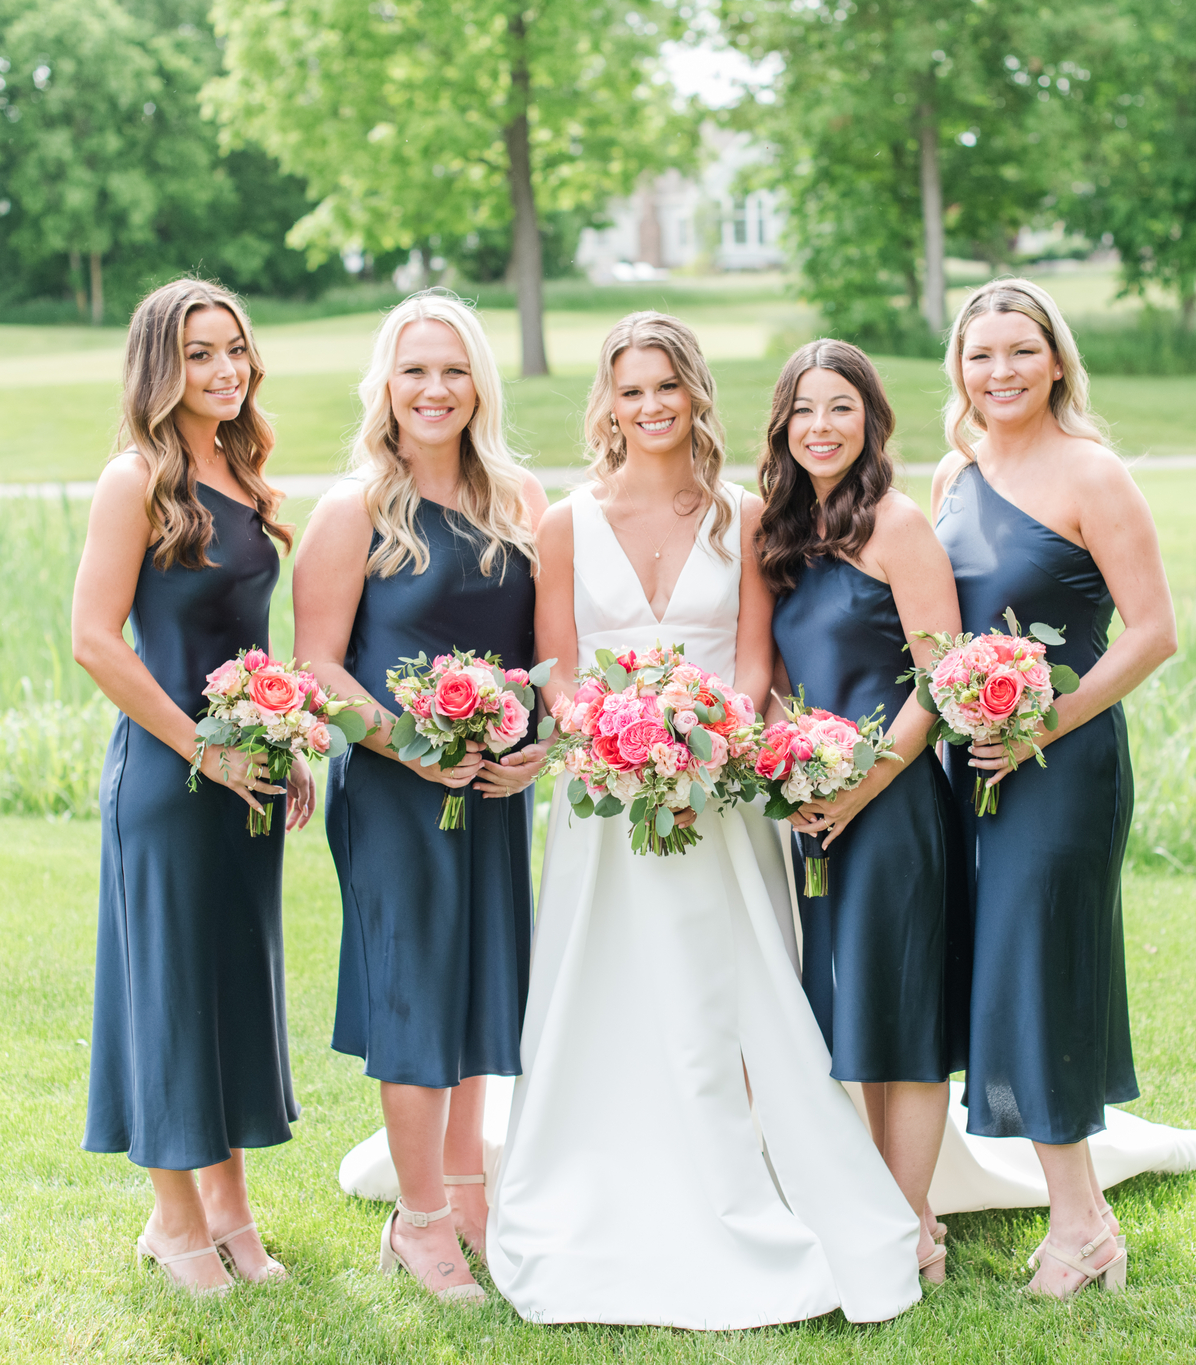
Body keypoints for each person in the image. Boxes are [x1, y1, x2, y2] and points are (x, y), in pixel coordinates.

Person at [483, 312, 922, 1329]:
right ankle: (607, 1177)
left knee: (725, 995)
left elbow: (753, 662)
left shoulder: (740, 517)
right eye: (630, 390)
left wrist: (707, 740)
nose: (649, 407)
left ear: (693, 394)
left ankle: (752, 1172)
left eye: (665, 387)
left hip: (718, 795)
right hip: (603, 804)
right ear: (608, 401)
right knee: (608, 991)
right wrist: (604, 740)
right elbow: (554, 673)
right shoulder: (565, 524)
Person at [291, 290, 548, 1307]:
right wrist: (407, 745)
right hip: (395, 793)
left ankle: (469, 1196)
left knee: (483, 986)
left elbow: (545, 661)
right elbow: (316, 665)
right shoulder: (352, 508)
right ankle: (421, 1222)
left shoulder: (520, 500)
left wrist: (533, 745)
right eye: (413, 371)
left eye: (451, 370)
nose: (433, 390)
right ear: (384, 388)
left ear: (477, 382)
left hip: (490, 783)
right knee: (414, 995)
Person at [931, 277, 1180, 1298]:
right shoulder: (953, 473)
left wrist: (1044, 718)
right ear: (958, 367)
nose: (1000, 373)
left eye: (1019, 352)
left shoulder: (1092, 473)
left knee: (1042, 972)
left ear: (1056, 361)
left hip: (1062, 764)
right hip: (965, 767)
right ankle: (1075, 1215)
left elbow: (1153, 632)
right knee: (992, 973)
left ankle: (1082, 1225)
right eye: (980, 355)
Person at [71, 277, 309, 1297]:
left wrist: (282, 736)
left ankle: (232, 1219)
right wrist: (196, 750)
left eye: (234, 350)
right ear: (161, 366)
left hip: (248, 775)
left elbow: (248, 644)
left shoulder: (248, 476)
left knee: (229, 990)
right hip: (168, 781)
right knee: (169, 993)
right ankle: (173, 1225)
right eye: (199, 353)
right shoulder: (134, 479)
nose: (222, 370)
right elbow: (94, 641)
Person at [756, 339, 968, 1283]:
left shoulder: (898, 523)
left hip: (892, 803)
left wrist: (859, 784)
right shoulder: (781, 534)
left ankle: (910, 1218)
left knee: (905, 1011)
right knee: (855, 1011)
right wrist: (790, 773)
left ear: (871, 419)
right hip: (813, 809)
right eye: (805, 410)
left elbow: (938, 680)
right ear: (783, 426)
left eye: (840, 407)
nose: (821, 427)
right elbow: (772, 682)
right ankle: (882, 1206)